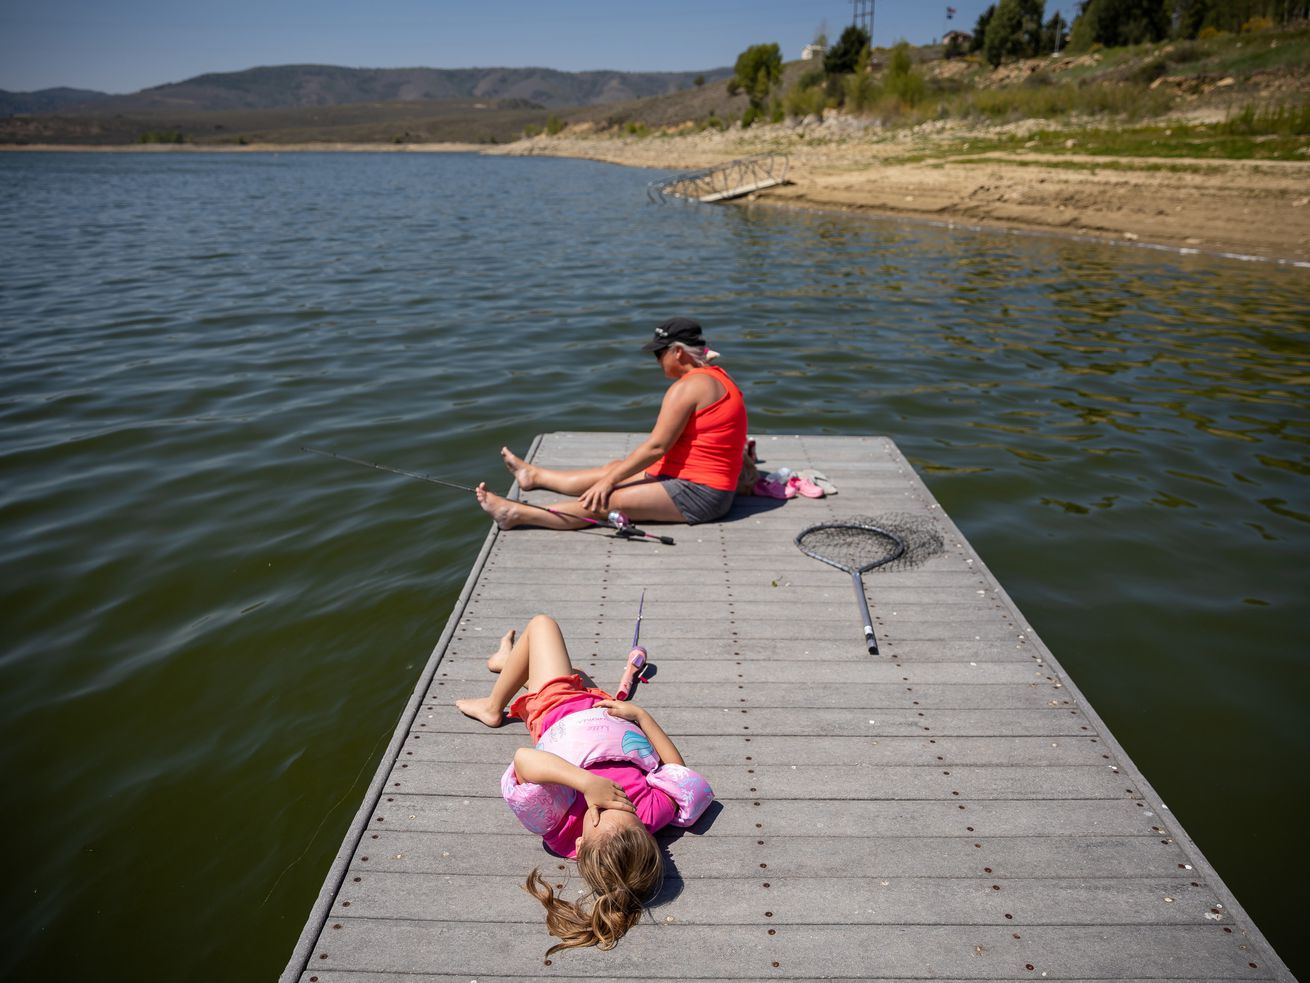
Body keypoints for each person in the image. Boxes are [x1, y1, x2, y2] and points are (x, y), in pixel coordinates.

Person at [456, 615, 713, 959]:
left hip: (556, 707)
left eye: (601, 810)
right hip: (600, 704)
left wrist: (587, 783)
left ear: (579, 842)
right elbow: (677, 771)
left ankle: (492, 706)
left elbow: (523, 761)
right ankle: (509, 665)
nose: (613, 801)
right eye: (623, 807)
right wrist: (641, 716)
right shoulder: (652, 813)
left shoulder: (560, 828)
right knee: (569, 669)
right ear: (647, 833)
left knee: (541, 626)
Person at [476, 317, 749, 529]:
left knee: (610, 500)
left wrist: (609, 483)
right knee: (614, 468)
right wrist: (612, 475)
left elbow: (657, 446)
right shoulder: (714, 375)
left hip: (702, 494)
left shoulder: (688, 388)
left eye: (659, 354)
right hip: (685, 475)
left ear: (678, 352)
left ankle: (514, 514)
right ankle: (534, 477)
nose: (657, 360)